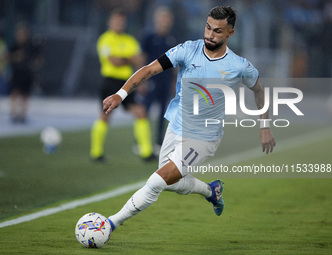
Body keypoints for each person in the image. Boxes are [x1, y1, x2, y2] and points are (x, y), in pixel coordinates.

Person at [102, 6, 276, 232]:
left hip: (203, 137)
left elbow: (260, 91)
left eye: (217, 31)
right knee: (170, 182)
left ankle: (110, 223)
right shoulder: (187, 49)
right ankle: (211, 191)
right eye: (208, 27)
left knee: (157, 181)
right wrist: (121, 93)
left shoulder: (239, 66)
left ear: (230, 34)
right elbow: (148, 70)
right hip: (176, 127)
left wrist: (265, 125)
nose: (209, 35)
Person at [90, 9, 155, 162]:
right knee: (105, 116)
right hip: (110, 81)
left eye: (121, 21)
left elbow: (140, 61)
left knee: (140, 112)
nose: (119, 23)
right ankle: (96, 153)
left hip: (127, 83)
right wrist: (130, 59)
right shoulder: (105, 39)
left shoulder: (130, 40)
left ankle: (146, 152)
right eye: (116, 20)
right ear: (110, 22)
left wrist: (128, 60)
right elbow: (114, 61)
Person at [140, 7, 176, 147]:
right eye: (162, 18)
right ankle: (141, 141)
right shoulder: (149, 37)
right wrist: (141, 81)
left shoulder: (171, 39)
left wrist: (174, 81)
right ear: (156, 20)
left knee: (163, 112)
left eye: (167, 18)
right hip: (151, 79)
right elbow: (142, 59)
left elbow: (174, 63)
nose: (164, 21)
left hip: (165, 80)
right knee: (145, 110)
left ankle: (159, 141)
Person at [9, 23, 43, 123]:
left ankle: (23, 115)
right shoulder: (15, 46)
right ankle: (14, 114)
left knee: (26, 95)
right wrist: (16, 56)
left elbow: (39, 59)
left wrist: (36, 64)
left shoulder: (31, 46)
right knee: (15, 93)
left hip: (27, 73)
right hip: (17, 72)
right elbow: (8, 57)